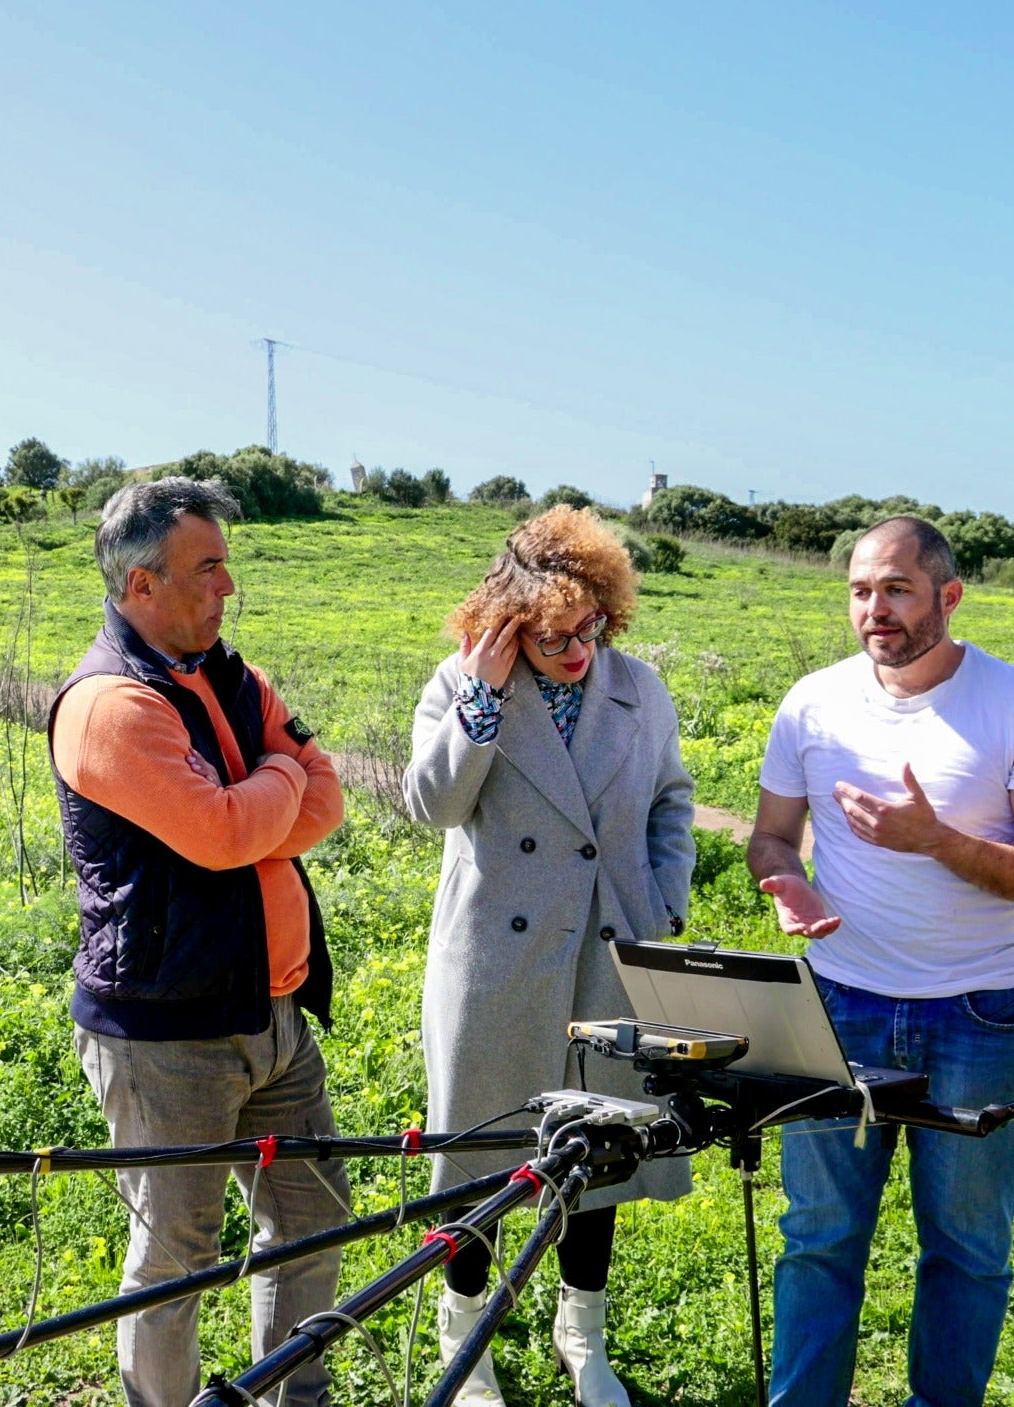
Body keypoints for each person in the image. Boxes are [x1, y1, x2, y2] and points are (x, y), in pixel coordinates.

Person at [748, 516, 1014, 1407]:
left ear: (948, 596)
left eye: (897, 589)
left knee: (968, 1250)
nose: (876, 610)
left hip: (977, 1015)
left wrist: (934, 839)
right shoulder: (812, 702)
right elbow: (771, 838)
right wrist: (786, 883)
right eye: (862, 591)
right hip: (841, 1007)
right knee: (819, 1237)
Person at [50, 477, 349, 1407]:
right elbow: (224, 836)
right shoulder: (112, 705)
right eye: (208, 568)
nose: (228, 588)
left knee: (314, 1221)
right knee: (178, 1256)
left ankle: (286, 1396)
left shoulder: (231, 672)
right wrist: (275, 774)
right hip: (167, 1035)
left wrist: (266, 797)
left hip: (273, 1017)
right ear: (141, 584)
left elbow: (325, 800)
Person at [404, 506, 696, 1407]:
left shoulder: (638, 689)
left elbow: (672, 801)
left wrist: (660, 900)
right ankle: (469, 1343)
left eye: (589, 627)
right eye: (551, 635)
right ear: (506, 622)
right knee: (481, 1158)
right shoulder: (461, 682)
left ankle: (584, 1338)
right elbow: (432, 806)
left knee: (598, 1154)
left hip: (607, 955)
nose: (576, 651)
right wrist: (482, 704)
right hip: (497, 963)